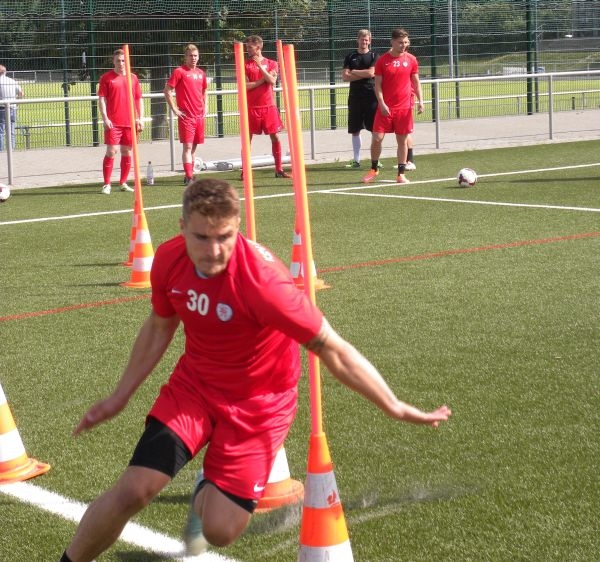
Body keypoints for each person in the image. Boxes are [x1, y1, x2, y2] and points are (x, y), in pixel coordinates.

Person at [59, 178, 451, 562]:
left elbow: (334, 349)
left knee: (220, 530)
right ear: (182, 228)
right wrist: (119, 397)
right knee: (134, 489)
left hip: (259, 405)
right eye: (202, 237)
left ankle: (208, 487)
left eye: (224, 237)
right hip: (195, 388)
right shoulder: (168, 259)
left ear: (238, 229)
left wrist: (394, 405)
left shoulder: (265, 284)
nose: (214, 251)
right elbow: (160, 326)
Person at [362, 28, 423, 185]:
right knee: (377, 138)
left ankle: (401, 174)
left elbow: (416, 82)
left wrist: (421, 101)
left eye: (406, 42)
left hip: (404, 108)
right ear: (392, 42)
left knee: (402, 141)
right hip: (385, 108)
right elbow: (377, 85)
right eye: (400, 42)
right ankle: (374, 169)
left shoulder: (411, 60)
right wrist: (382, 103)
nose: (404, 45)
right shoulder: (382, 60)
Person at [243, 35, 291, 179]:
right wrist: (262, 81)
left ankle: (279, 169)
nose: (247, 49)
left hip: (268, 106)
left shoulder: (272, 63)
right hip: (251, 107)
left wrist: (259, 67)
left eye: (250, 47)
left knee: (275, 136)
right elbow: (245, 86)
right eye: (246, 47)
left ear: (258, 47)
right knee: (247, 139)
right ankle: (245, 171)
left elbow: (272, 80)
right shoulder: (245, 64)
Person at [97, 49, 143, 195]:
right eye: (118, 60)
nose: (121, 63)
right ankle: (107, 184)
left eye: (124, 61)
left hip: (130, 122)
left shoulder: (133, 78)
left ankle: (123, 182)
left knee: (127, 151)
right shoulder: (106, 78)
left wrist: (140, 118)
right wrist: (105, 118)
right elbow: (102, 99)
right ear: (113, 61)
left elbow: (138, 99)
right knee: (112, 151)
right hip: (114, 123)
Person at [164, 44, 208, 186]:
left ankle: (189, 174)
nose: (193, 58)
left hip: (199, 116)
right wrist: (175, 109)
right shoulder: (179, 72)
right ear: (186, 57)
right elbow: (167, 90)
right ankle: (189, 177)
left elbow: (204, 90)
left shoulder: (201, 73)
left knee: (194, 147)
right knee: (187, 147)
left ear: (198, 57)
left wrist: (205, 106)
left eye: (195, 56)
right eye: (190, 56)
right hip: (186, 117)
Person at [341, 29, 379, 169]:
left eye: (366, 39)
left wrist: (354, 72)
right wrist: (364, 74)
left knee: (375, 129)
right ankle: (356, 160)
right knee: (355, 129)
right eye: (362, 39)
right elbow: (345, 77)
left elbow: (371, 73)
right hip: (355, 97)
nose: (364, 42)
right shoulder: (350, 56)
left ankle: (375, 160)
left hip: (371, 97)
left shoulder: (374, 56)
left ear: (370, 41)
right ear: (357, 40)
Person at [0, 65, 24, 152]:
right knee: (11, 131)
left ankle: (1, 151)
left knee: (1, 131)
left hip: (2, 108)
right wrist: (17, 103)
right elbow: (21, 93)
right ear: (5, 72)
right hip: (13, 108)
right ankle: (12, 149)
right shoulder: (12, 81)